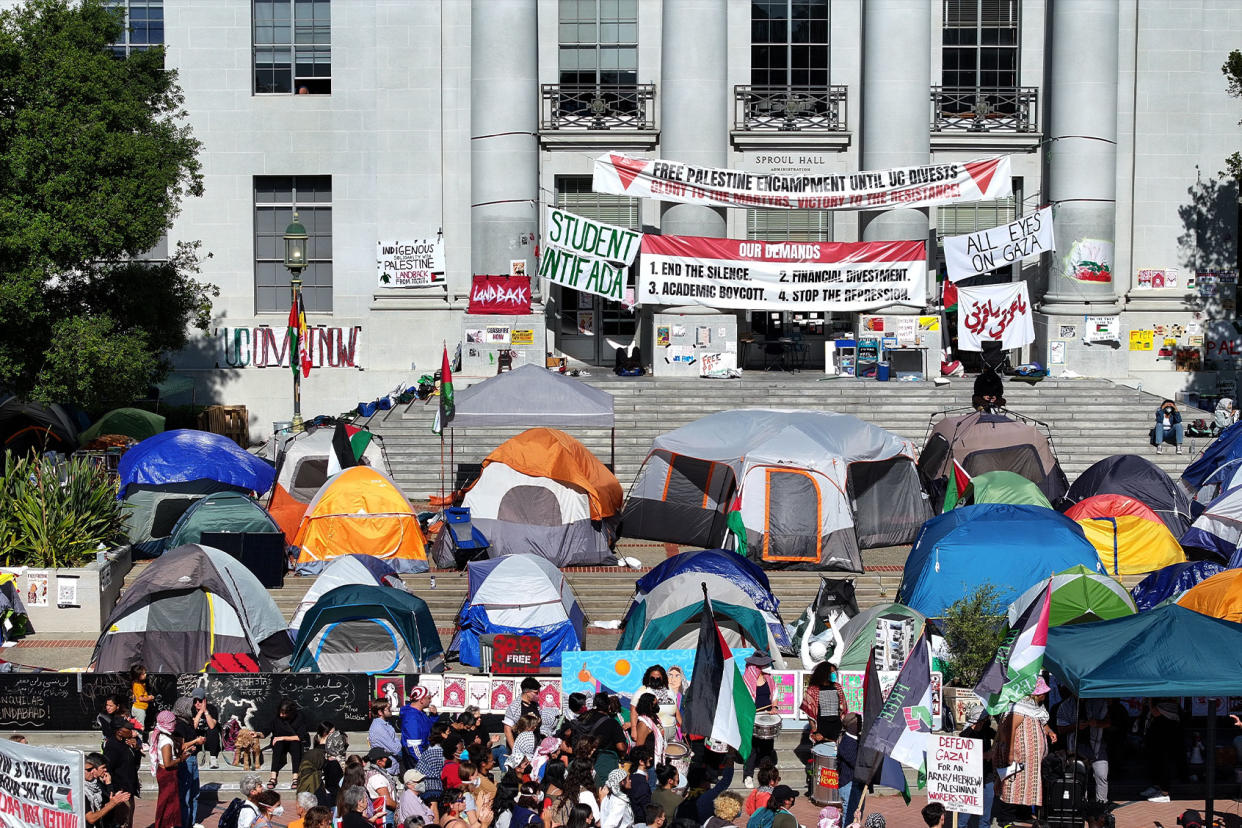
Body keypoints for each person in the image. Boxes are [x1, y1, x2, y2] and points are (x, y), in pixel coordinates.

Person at [992, 677, 1057, 825]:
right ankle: (1006, 819)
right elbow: (1010, 730)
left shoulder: (1035, 708)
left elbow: (1042, 722)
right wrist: (1010, 752)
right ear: (1035, 694)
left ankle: (1023, 813)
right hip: (1018, 757)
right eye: (1043, 693)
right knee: (1012, 785)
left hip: (1031, 762)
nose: (1045, 696)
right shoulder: (1019, 708)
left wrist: (1049, 731)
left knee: (1026, 787)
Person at [1055, 693, 1110, 805]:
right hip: (1076, 746)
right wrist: (1076, 726)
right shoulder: (1065, 705)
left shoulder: (1099, 702)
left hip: (1097, 744)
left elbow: (1108, 722)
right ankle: (1080, 805)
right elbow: (1060, 729)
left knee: (1101, 774)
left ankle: (1102, 806)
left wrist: (1097, 723)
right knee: (1079, 776)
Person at [742, 654, 777, 788]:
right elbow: (744, 699)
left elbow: (774, 695)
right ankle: (748, 776)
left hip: (767, 717)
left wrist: (774, 707)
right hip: (753, 718)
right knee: (752, 749)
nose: (768, 666)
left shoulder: (769, 678)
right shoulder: (748, 678)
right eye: (765, 664)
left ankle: (766, 777)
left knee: (767, 749)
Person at [172, 694, 206, 828]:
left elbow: (195, 723)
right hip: (185, 760)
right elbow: (181, 746)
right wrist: (196, 741)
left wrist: (202, 712)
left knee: (194, 793)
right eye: (190, 706)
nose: (192, 708)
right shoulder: (179, 725)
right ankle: (184, 823)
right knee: (185, 794)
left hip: (192, 759)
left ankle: (191, 822)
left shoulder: (188, 722)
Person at [149, 710, 187, 828]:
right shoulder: (166, 741)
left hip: (166, 773)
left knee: (169, 801)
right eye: (172, 721)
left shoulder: (162, 734)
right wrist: (182, 759)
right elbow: (168, 763)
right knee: (168, 803)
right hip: (167, 774)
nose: (174, 723)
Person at [959, 707, 996, 828]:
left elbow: (998, 737)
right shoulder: (966, 734)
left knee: (987, 810)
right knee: (966, 811)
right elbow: (962, 755)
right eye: (984, 720)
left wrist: (993, 750)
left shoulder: (986, 730)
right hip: (971, 776)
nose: (986, 722)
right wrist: (983, 755)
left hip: (987, 775)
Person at [1140, 698, 1183, 802]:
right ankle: (1157, 787)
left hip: (1166, 740)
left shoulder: (1171, 705)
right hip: (1157, 739)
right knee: (1156, 764)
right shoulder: (1160, 703)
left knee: (1164, 765)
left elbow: (1156, 713)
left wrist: (1150, 701)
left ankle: (1164, 793)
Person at [103, 725, 141, 828]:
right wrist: (114, 789)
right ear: (119, 732)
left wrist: (136, 748)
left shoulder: (126, 743)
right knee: (122, 820)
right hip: (120, 789)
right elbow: (109, 768)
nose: (131, 732)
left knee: (128, 819)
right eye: (128, 730)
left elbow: (135, 764)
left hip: (129, 787)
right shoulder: (112, 746)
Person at [630, 667, 680, 742]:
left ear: (663, 677)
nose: (655, 679)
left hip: (672, 730)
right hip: (654, 729)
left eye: (658, 677)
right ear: (648, 678)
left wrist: (682, 726)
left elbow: (676, 709)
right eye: (653, 678)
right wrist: (633, 729)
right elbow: (633, 710)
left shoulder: (669, 689)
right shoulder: (643, 690)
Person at [801, 663, 846, 744]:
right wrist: (815, 731)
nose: (833, 675)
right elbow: (810, 713)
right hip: (821, 726)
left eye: (834, 672)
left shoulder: (837, 687)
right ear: (824, 673)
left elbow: (844, 707)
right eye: (831, 673)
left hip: (836, 725)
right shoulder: (813, 689)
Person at [84, 752, 131, 827]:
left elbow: (106, 802)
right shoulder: (81, 791)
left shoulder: (96, 784)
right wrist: (112, 803)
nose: (105, 770)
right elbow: (91, 818)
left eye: (92, 768)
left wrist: (109, 785)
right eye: (89, 769)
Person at [269, 698, 307, 790]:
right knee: (278, 744)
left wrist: (282, 737)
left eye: (285, 713)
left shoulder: (299, 718)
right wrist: (258, 734)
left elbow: (299, 737)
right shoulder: (277, 718)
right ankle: (273, 777)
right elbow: (267, 729)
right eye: (280, 712)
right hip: (280, 742)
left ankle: (295, 778)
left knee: (296, 745)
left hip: (293, 741)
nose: (282, 715)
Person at [366, 747, 401, 824]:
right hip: (386, 815)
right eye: (386, 758)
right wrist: (400, 808)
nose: (389, 759)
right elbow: (387, 801)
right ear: (379, 762)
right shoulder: (377, 777)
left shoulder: (381, 774)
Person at [402, 687, 436, 766]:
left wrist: (434, 716)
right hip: (414, 758)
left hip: (421, 752)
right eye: (428, 698)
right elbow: (414, 745)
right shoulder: (412, 717)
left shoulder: (420, 713)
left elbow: (428, 728)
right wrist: (423, 762)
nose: (430, 701)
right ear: (421, 700)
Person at [192, 686, 222, 769]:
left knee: (212, 730)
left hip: (210, 741)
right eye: (195, 701)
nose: (197, 703)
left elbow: (212, 725)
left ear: (204, 700)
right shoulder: (191, 709)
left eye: (200, 701)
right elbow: (194, 726)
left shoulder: (212, 709)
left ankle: (213, 758)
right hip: (197, 740)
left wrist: (205, 711)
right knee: (190, 730)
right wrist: (200, 712)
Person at [631, 697, 664, 768]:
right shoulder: (643, 724)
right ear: (648, 706)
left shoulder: (655, 717)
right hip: (650, 764)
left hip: (659, 759)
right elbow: (639, 748)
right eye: (655, 704)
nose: (657, 706)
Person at [371, 698, 404, 766]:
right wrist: (401, 744)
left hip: (391, 766)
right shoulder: (379, 727)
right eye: (388, 708)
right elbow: (396, 749)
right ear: (380, 712)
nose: (391, 710)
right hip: (387, 768)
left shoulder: (385, 723)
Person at [129, 665, 153, 731]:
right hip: (140, 709)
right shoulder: (139, 686)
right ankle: (140, 740)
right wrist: (149, 698)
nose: (145, 674)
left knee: (136, 725)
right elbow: (141, 698)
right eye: (143, 674)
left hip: (136, 707)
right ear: (138, 676)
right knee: (140, 727)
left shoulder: (135, 683)